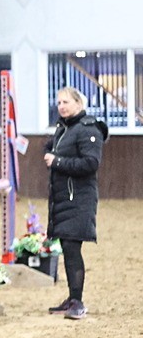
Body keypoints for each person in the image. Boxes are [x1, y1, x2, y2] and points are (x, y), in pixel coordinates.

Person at [44, 87, 108, 320]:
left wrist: (58, 161)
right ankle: (72, 297)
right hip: (64, 198)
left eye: (66, 102)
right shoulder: (65, 128)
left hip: (79, 199)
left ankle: (77, 301)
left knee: (72, 249)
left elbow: (91, 163)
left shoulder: (88, 129)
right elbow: (53, 149)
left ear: (79, 104)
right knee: (68, 248)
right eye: (59, 102)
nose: (61, 106)